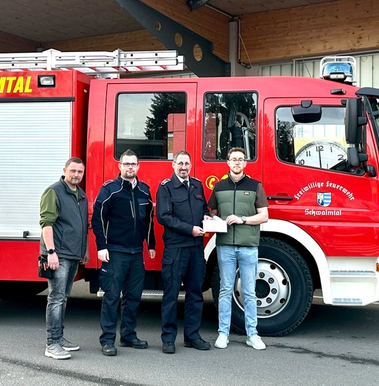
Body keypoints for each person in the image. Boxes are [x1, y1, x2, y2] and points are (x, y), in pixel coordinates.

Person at [91, 150, 156, 356]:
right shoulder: (109, 189)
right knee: (111, 296)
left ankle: (128, 335)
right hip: (115, 252)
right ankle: (107, 340)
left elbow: (149, 220)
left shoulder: (145, 191)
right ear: (119, 166)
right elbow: (98, 219)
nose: (130, 167)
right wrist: (102, 246)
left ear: (138, 166)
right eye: (126, 164)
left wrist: (151, 244)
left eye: (133, 164)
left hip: (136, 253)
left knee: (133, 296)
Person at [208, 146, 269, 350]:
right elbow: (213, 212)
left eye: (240, 159)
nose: (236, 162)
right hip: (225, 245)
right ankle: (223, 333)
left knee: (249, 292)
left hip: (248, 246)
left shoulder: (255, 186)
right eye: (233, 159)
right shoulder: (219, 187)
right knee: (225, 290)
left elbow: (264, 216)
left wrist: (242, 219)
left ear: (245, 163)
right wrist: (213, 219)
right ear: (228, 163)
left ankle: (252, 334)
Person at [156, 151, 211, 354]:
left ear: (191, 165)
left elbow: (203, 208)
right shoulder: (165, 187)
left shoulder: (197, 185)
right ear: (173, 165)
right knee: (171, 295)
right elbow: (164, 216)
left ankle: (192, 336)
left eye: (187, 163)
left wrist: (206, 217)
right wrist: (190, 229)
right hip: (176, 249)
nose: (184, 167)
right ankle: (168, 339)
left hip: (196, 249)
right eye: (180, 163)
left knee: (195, 294)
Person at [40, 157, 89, 360]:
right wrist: (51, 252)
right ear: (65, 170)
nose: (76, 175)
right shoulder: (54, 191)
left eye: (80, 172)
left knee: (63, 297)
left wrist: (84, 251)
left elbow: (83, 226)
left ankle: (59, 338)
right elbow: (47, 224)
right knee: (56, 298)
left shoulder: (81, 195)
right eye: (73, 171)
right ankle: (52, 344)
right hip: (58, 255)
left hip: (73, 254)